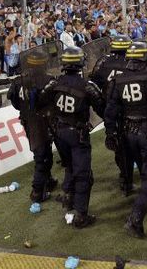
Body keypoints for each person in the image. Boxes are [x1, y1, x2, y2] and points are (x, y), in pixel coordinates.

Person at [104, 42, 147, 238]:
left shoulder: (119, 79)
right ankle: (135, 218)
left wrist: (111, 132)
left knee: (143, 170)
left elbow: (111, 110)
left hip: (128, 133)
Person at [38, 47, 104, 228]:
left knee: (69, 166)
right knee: (83, 175)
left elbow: (40, 102)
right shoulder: (87, 86)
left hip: (59, 133)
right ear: (80, 63)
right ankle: (81, 214)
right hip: (78, 134)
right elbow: (102, 109)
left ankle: (69, 197)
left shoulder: (54, 83)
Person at [7, 49, 59, 202]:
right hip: (43, 121)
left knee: (43, 153)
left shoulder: (18, 81)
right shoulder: (48, 79)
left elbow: (15, 102)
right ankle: (37, 192)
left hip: (28, 121)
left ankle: (47, 181)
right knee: (42, 157)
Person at [90, 34, 134, 195]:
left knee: (119, 146)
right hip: (129, 108)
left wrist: (103, 108)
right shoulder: (132, 63)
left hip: (110, 110)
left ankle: (125, 178)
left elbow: (93, 85)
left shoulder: (103, 63)